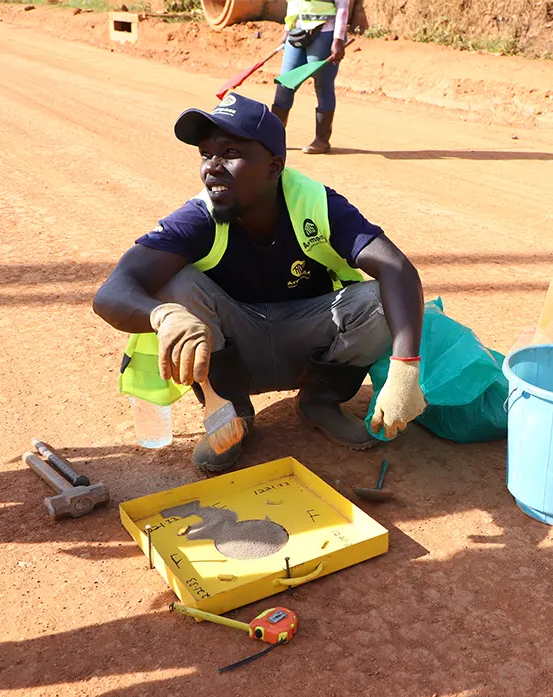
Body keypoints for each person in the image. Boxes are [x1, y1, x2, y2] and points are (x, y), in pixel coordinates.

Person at [93, 94, 427, 472]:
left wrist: (406, 369)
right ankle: (229, 413)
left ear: (274, 166)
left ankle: (319, 401)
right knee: (176, 285)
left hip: (309, 339)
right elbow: (113, 291)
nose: (212, 167)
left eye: (230, 152)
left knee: (380, 299)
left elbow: (397, 268)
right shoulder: (198, 218)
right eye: (206, 154)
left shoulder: (317, 204)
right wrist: (163, 316)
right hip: (238, 347)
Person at [270, 0, 350, 155]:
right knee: (285, 83)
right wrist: (287, 29)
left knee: (322, 85)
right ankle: (273, 138)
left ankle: (322, 140)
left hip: (325, 32)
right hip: (297, 31)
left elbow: (342, 6)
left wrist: (338, 39)